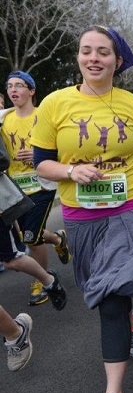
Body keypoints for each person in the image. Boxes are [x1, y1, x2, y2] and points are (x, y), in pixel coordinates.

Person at [31, 25, 133, 393]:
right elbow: (42, 164)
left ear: (117, 60)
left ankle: (113, 389)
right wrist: (72, 171)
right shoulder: (56, 104)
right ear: (78, 57)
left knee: (112, 295)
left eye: (103, 52)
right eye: (86, 51)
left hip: (131, 205)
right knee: (101, 285)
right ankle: (128, 322)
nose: (93, 58)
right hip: (81, 213)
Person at [1, 70, 71, 306]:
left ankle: (41, 283)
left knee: (30, 238)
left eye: (19, 85)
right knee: (30, 234)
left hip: (42, 183)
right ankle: (59, 240)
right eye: (9, 86)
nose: (13, 90)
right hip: (16, 188)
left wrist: (38, 154)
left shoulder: (45, 116)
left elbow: (64, 146)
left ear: (31, 91)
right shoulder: (3, 119)